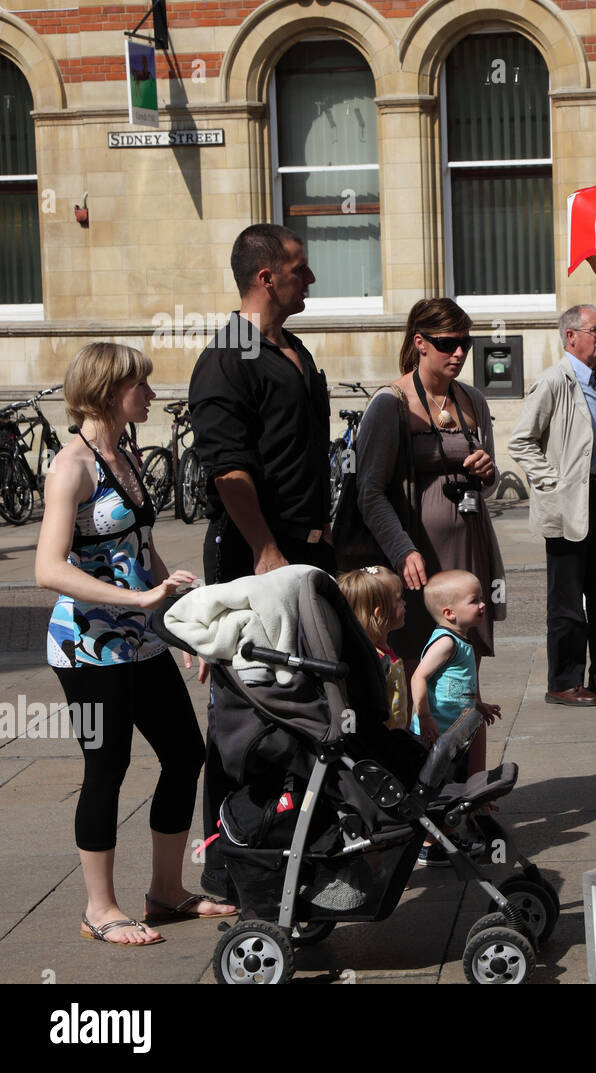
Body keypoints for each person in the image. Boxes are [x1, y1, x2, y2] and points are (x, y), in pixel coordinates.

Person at [36, 343, 236, 945]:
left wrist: (179, 624)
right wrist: (139, 603)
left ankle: (166, 891)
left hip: (140, 640)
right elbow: (49, 569)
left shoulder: (123, 454)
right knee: (108, 767)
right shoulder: (73, 465)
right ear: (107, 390)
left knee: (184, 754)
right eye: (140, 386)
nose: (150, 395)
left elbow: (142, 552)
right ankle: (100, 908)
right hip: (88, 648)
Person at [189, 222, 336, 901]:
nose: (310, 279)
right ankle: (225, 868)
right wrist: (265, 549)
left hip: (304, 553)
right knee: (244, 707)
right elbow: (229, 470)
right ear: (266, 276)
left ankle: (294, 843)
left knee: (300, 701)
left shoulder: (295, 348)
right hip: (255, 555)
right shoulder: (228, 357)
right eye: (299, 268)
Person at [355, 298, 505, 675]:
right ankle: (421, 733)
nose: (458, 353)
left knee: (465, 663)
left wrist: (488, 472)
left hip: (469, 544)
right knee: (418, 661)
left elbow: (490, 481)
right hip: (417, 554)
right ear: (420, 343)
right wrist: (403, 550)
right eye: (447, 344)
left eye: (465, 345)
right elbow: (369, 491)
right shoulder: (392, 403)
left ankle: (465, 727)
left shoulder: (472, 400)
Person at [508, 304, 596, 708]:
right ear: (571, 336)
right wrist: (553, 482)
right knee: (568, 599)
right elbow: (520, 440)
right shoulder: (555, 381)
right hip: (570, 501)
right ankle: (564, 681)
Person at [409, 570, 503, 865]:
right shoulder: (446, 643)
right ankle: (427, 845)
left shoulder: (461, 640)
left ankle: (446, 836)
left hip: (454, 736)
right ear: (449, 613)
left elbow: (462, 683)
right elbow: (418, 677)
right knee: (437, 790)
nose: (483, 605)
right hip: (435, 736)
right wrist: (424, 716)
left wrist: (479, 705)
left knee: (451, 788)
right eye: (474, 601)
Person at [338, 566, 410, 731]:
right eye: (399, 599)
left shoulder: (383, 649)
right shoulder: (371, 660)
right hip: (381, 743)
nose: (405, 603)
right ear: (379, 613)